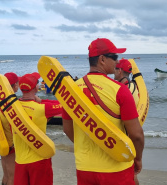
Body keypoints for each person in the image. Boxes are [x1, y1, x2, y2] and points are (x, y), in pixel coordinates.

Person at [62, 38, 144, 185]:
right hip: (116, 168)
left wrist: (92, 142)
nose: (117, 62)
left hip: (84, 168)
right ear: (102, 59)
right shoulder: (120, 90)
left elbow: (67, 129)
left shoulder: (71, 91)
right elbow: (136, 135)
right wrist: (137, 158)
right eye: (114, 57)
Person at [13, 72, 62, 185]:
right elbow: (65, 105)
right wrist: (41, 101)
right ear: (36, 87)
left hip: (20, 161)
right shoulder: (42, 109)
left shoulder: (12, 107)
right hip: (40, 159)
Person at [114, 59, 140, 185]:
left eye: (115, 69)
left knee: (129, 173)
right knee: (131, 173)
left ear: (119, 71)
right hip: (129, 135)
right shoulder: (133, 86)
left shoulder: (124, 90)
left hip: (124, 137)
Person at [0, 72, 20, 185]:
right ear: (15, 85)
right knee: (12, 177)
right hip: (11, 144)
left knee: (6, 176)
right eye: (18, 82)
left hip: (1, 142)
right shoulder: (11, 102)